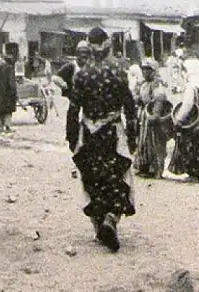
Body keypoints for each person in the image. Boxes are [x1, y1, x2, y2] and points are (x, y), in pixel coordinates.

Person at [69, 27, 138, 252]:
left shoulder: (81, 75)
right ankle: (111, 219)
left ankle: (99, 225)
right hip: (112, 133)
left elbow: (73, 110)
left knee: (92, 178)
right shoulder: (119, 72)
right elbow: (129, 106)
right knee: (117, 177)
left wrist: (72, 139)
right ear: (107, 46)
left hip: (89, 134)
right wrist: (133, 137)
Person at [168, 58, 199, 182]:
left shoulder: (191, 86)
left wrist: (178, 120)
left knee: (190, 147)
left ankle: (192, 174)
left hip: (191, 123)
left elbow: (187, 105)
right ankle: (196, 173)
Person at [132, 59, 172, 178]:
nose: (145, 71)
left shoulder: (158, 84)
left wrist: (155, 114)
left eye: (147, 69)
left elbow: (160, 98)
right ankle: (144, 167)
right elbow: (136, 97)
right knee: (143, 142)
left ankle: (157, 170)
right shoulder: (143, 83)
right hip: (143, 117)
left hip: (154, 117)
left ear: (153, 70)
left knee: (156, 143)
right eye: (143, 69)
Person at [56, 41, 91, 152]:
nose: (83, 57)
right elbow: (56, 77)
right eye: (81, 53)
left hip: (89, 102)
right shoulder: (71, 66)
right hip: (74, 101)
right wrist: (63, 85)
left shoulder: (91, 67)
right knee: (73, 130)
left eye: (86, 54)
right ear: (77, 54)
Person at [0, 52, 18, 133]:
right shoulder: (10, 69)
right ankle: (7, 127)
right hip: (8, 94)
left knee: (0, 110)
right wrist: (14, 92)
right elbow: (11, 82)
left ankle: (1, 127)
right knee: (8, 110)